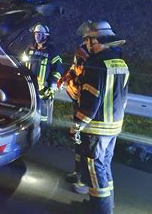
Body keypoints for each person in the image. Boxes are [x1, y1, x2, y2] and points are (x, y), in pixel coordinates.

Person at [70, 20, 129, 213]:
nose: (86, 44)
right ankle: (102, 204)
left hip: (97, 128)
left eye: (87, 40)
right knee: (103, 167)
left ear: (95, 40)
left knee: (95, 169)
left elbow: (91, 101)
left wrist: (77, 124)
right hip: (113, 126)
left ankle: (101, 210)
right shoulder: (120, 62)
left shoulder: (96, 64)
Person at [58, 43, 90, 193]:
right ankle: (77, 173)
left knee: (85, 146)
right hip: (78, 103)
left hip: (86, 108)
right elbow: (72, 70)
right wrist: (65, 77)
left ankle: (83, 181)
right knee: (78, 144)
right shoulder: (80, 55)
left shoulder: (93, 63)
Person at [23, 23, 63, 124]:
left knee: (43, 117)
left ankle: (44, 132)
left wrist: (52, 83)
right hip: (29, 88)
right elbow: (22, 64)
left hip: (44, 91)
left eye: (40, 34)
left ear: (46, 36)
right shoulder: (30, 49)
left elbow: (58, 69)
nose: (37, 36)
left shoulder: (52, 51)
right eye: (36, 34)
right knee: (29, 113)